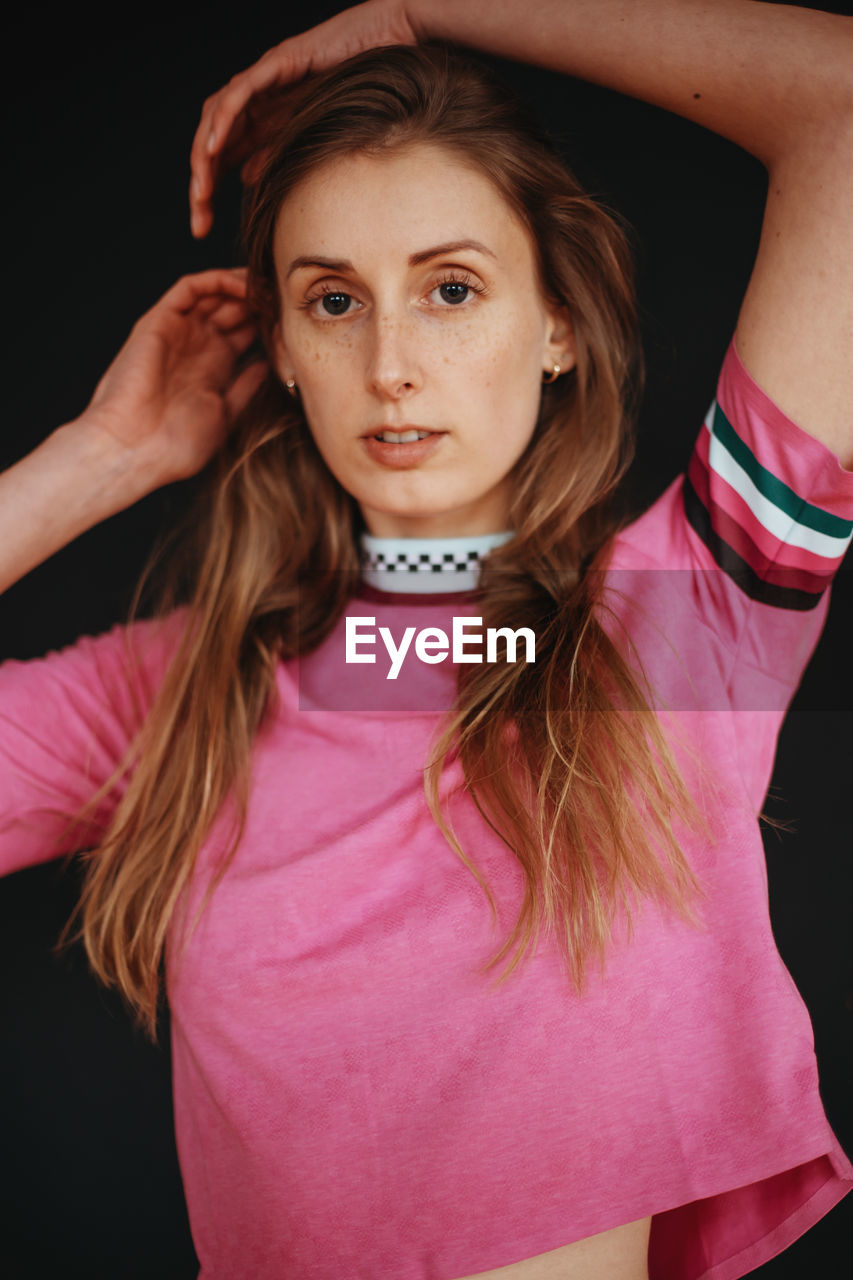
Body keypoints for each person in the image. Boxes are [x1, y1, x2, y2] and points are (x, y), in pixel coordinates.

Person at [1, 1, 851, 1277]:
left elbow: (841, 103)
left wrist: (429, 8)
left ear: (558, 325)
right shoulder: (186, 695)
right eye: (333, 301)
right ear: (282, 352)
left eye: (450, 288)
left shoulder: (687, 615)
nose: (390, 361)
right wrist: (94, 461)